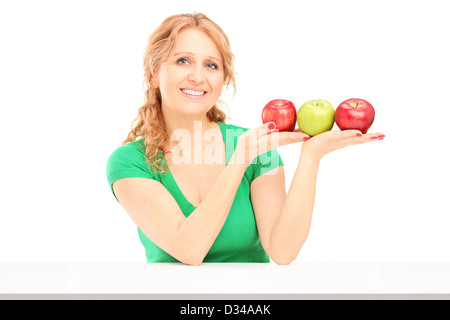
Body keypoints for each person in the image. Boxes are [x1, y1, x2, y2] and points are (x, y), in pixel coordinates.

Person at [106, 13, 384, 265]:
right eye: (183, 60)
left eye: (211, 65)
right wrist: (238, 161)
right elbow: (189, 249)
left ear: (223, 80)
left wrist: (310, 157)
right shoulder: (130, 162)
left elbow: (282, 251)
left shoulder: (256, 147)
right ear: (153, 74)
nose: (197, 76)